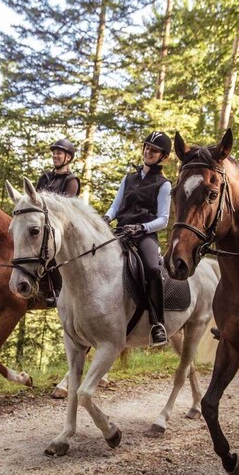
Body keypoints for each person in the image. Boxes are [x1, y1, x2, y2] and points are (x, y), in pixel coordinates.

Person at [103, 131, 172, 346]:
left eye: (154, 150)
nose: (148, 152)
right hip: (121, 230)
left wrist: (141, 227)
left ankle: (157, 323)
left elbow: (164, 219)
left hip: (145, 235)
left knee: (152, 268)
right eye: (146, 147)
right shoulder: (129, 178)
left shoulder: (164, 185)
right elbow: (116, 205)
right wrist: (106, 217)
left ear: (163, 157)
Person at [35, 139, 80, 306]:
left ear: (68, 157)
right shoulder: (45, 178)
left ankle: (58, 290)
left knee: (50, 246)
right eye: (54, 153)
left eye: (58, 153)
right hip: (40, 221)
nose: (55, 155)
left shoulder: (71, 181)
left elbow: (64, 209)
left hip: (59, 225)